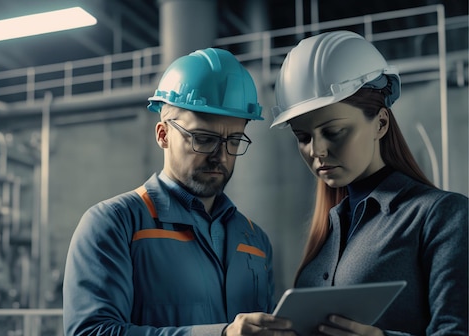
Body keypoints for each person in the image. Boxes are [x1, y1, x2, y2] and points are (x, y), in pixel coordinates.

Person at [63, 48, 295, 336]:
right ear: (163, 134)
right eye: (203, 139)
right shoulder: (114, 224)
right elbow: (91, 332)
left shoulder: (256, 239)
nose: (220, 155)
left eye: (233, 140)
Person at [270, 30, 468, 335]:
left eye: (334, 131)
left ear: (380, 123)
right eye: (303, 137)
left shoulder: (442, 215)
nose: (317, 151)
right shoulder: (329, 229)